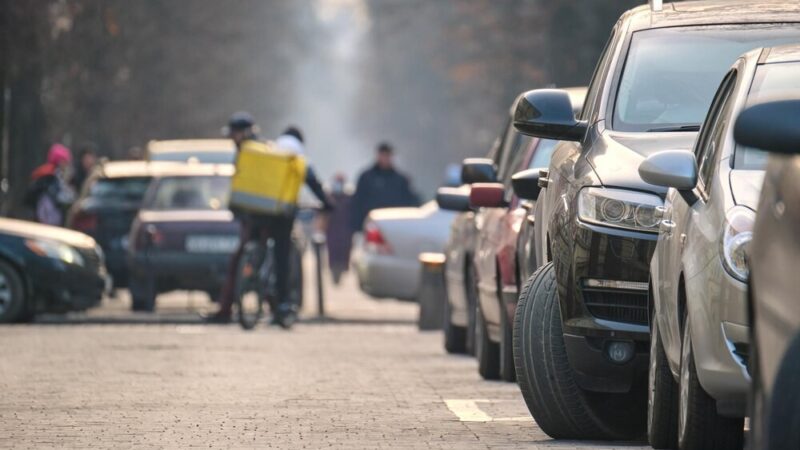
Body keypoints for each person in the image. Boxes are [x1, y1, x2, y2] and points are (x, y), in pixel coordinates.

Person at [207, 114, 332, 327]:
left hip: (254, 213)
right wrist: (328, 204)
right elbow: (311, 180)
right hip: (281, 215)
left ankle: (240, 292)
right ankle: (281, 304)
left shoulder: (261, 151)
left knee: (248, 253)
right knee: (281, 259)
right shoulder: (292, 156)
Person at [350, 142, 419, 231]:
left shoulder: (401, 180)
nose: (385, 158)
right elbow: (358, 202)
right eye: (383, 155)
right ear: (378, 156)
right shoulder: (366, 178)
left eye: (388, 155)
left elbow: (410, 201)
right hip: (371, 225)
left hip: (396, 225)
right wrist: (357, 226)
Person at [26, 143, 75, 226]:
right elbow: (63, 197)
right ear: (59, 161)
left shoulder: (44, 173)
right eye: (65, 161)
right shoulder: (53, 176)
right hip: (49, 221)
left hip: (40, 219)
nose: (66, 165)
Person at [325, 173, 353, 285]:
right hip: (332, 229)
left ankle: (342, 268)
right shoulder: (328, 197)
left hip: (345, 229)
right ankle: (333, 269)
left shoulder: (348, 198)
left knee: (344, 250)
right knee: (332, 250)